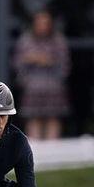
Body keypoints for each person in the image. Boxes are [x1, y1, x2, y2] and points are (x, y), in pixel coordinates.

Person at [13, 10, 71, 140]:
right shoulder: (25, 40)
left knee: (53, 119)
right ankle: (35, 150)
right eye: (39, 23)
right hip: (32, 87)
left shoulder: (58, 41)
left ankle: (53, 149)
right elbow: (17, 63)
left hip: (53, 87)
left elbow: (65, 65)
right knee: (33, 119)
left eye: (45, 23)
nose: (42, 26)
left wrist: (50, 61)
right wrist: (30, 61)